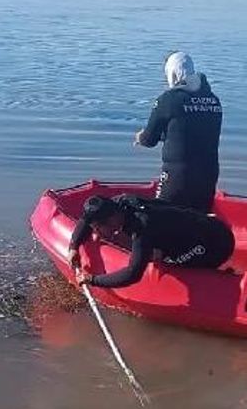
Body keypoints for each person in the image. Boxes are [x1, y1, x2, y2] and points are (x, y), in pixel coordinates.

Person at [67, 194, 235, 289]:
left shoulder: (142, 227)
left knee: (161, 260)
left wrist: (93, 280)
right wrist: (74, 246)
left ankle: (220, 280)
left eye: (97, 228)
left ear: (111, 220)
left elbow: (133, 275)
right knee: (152, 251)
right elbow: (85, 220)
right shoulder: (119, 203)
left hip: (216, 244)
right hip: (206, 226)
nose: (95, 233)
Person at [134, 51, 222, 213]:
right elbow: (190, 132)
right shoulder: (214, 101)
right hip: (208, 174)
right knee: (199, 219)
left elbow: (149, 139)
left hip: (177, 175)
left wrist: (141, 137)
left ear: (172, 72)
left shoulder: (168, 100)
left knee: (162, 216)